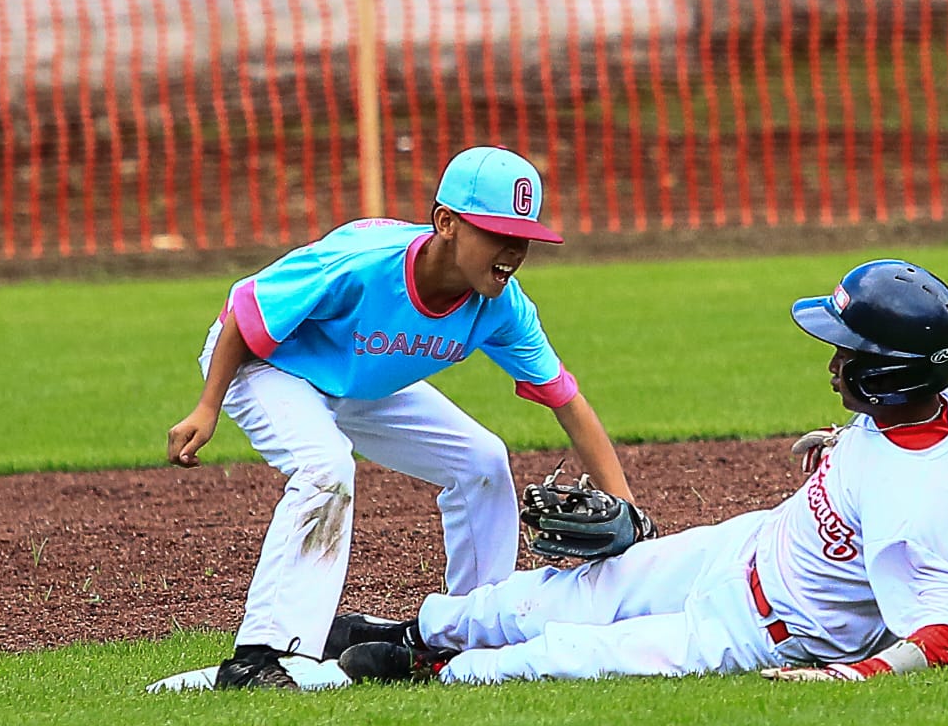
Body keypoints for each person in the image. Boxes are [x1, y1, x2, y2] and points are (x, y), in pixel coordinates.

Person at [332, 258, 948, 686]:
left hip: (757, 630)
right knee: (561, 593)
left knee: (565, 654)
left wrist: (849, 678)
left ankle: (428, 673)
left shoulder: (911, 503)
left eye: (846, 353)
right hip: (744, 546)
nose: (831, 363)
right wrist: (856, 450)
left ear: (886, 375)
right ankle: (415, 631)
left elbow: (942, 635)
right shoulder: (947, 405)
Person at [167, 146, 648, 690]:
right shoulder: (364, 262)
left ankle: (470, 630)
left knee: (483, 460)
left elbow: (567, 400)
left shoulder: (502, 306)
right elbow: (245, 310)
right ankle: (261, 656)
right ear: (447, 223)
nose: (512, 251)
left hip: (361, 379)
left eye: (523, 238)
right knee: (325, 467)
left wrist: (631, 516)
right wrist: (208, 407)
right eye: (496, 233)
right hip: (268, 364)